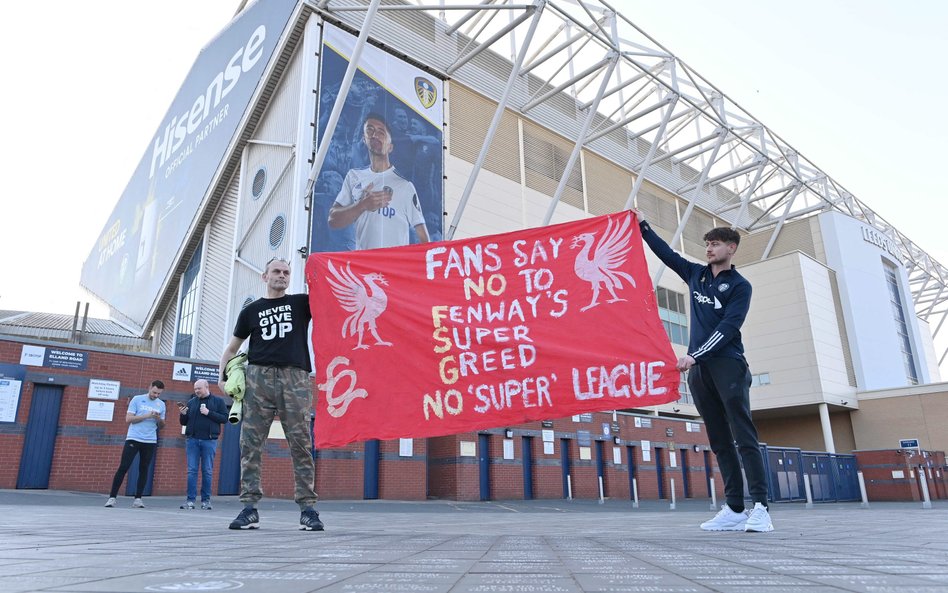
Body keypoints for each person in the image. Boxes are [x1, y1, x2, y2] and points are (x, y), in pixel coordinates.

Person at [634, 209, 774, 533]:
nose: (709, 248)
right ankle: (735, 508)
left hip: (729, 366)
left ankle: (761, 507)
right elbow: (666, 253)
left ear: (731, 249)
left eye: (716, 244)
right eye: (708, 243)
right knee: (719, 440)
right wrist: (642, 224)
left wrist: (694, 354)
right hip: (700, 372)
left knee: (744, 436)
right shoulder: (695, 274)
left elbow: (728, 327)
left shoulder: (740, 286)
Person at [218, 257, 323, 531]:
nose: (282, 276)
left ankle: (308, 509)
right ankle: (249, 508)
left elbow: (331, 295)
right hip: (258, 378)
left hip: (295, 377)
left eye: (286, 272)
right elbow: (232, 348)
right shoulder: (251, 311)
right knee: (250, 443)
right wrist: (222, 376)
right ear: (265, 276)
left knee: (300, 442)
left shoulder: (301, 303)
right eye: (276, 271)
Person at [328, 112, 429, 250]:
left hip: (393, 268)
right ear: (364, 139)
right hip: (363, 268)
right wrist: (362, 205)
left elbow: (423, 237)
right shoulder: (353, 176)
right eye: (370, 130)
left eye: (381, 132)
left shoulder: (405, 186)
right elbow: (333, 220)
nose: (375, 135)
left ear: (390, 146)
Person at [104, 380, 166, 508]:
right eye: (154, 392)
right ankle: (112, 497)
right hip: (134, 438)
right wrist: (147, 415)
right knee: (124, 466)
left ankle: (138, 499)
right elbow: (129, 419)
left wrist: (158, 418)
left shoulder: (161, 405)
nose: (155, 395)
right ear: (149, 387)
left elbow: (162, 426)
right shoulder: (137, 400)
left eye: (158, 394)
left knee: (144, 469)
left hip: (150, 440)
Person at [177, 379, 227, 510]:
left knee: (207, 471)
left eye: (199, 388)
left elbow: (224, 418)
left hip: (209, 441)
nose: (196, 391)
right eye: (195, 389)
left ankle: (206, 501)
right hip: (192, 440)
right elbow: (184, 422)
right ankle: (190, 501)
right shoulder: (191, 402)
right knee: (192, 470)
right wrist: (182, 415)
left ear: (206, 387)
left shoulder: (218, 402)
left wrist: (208, 413)